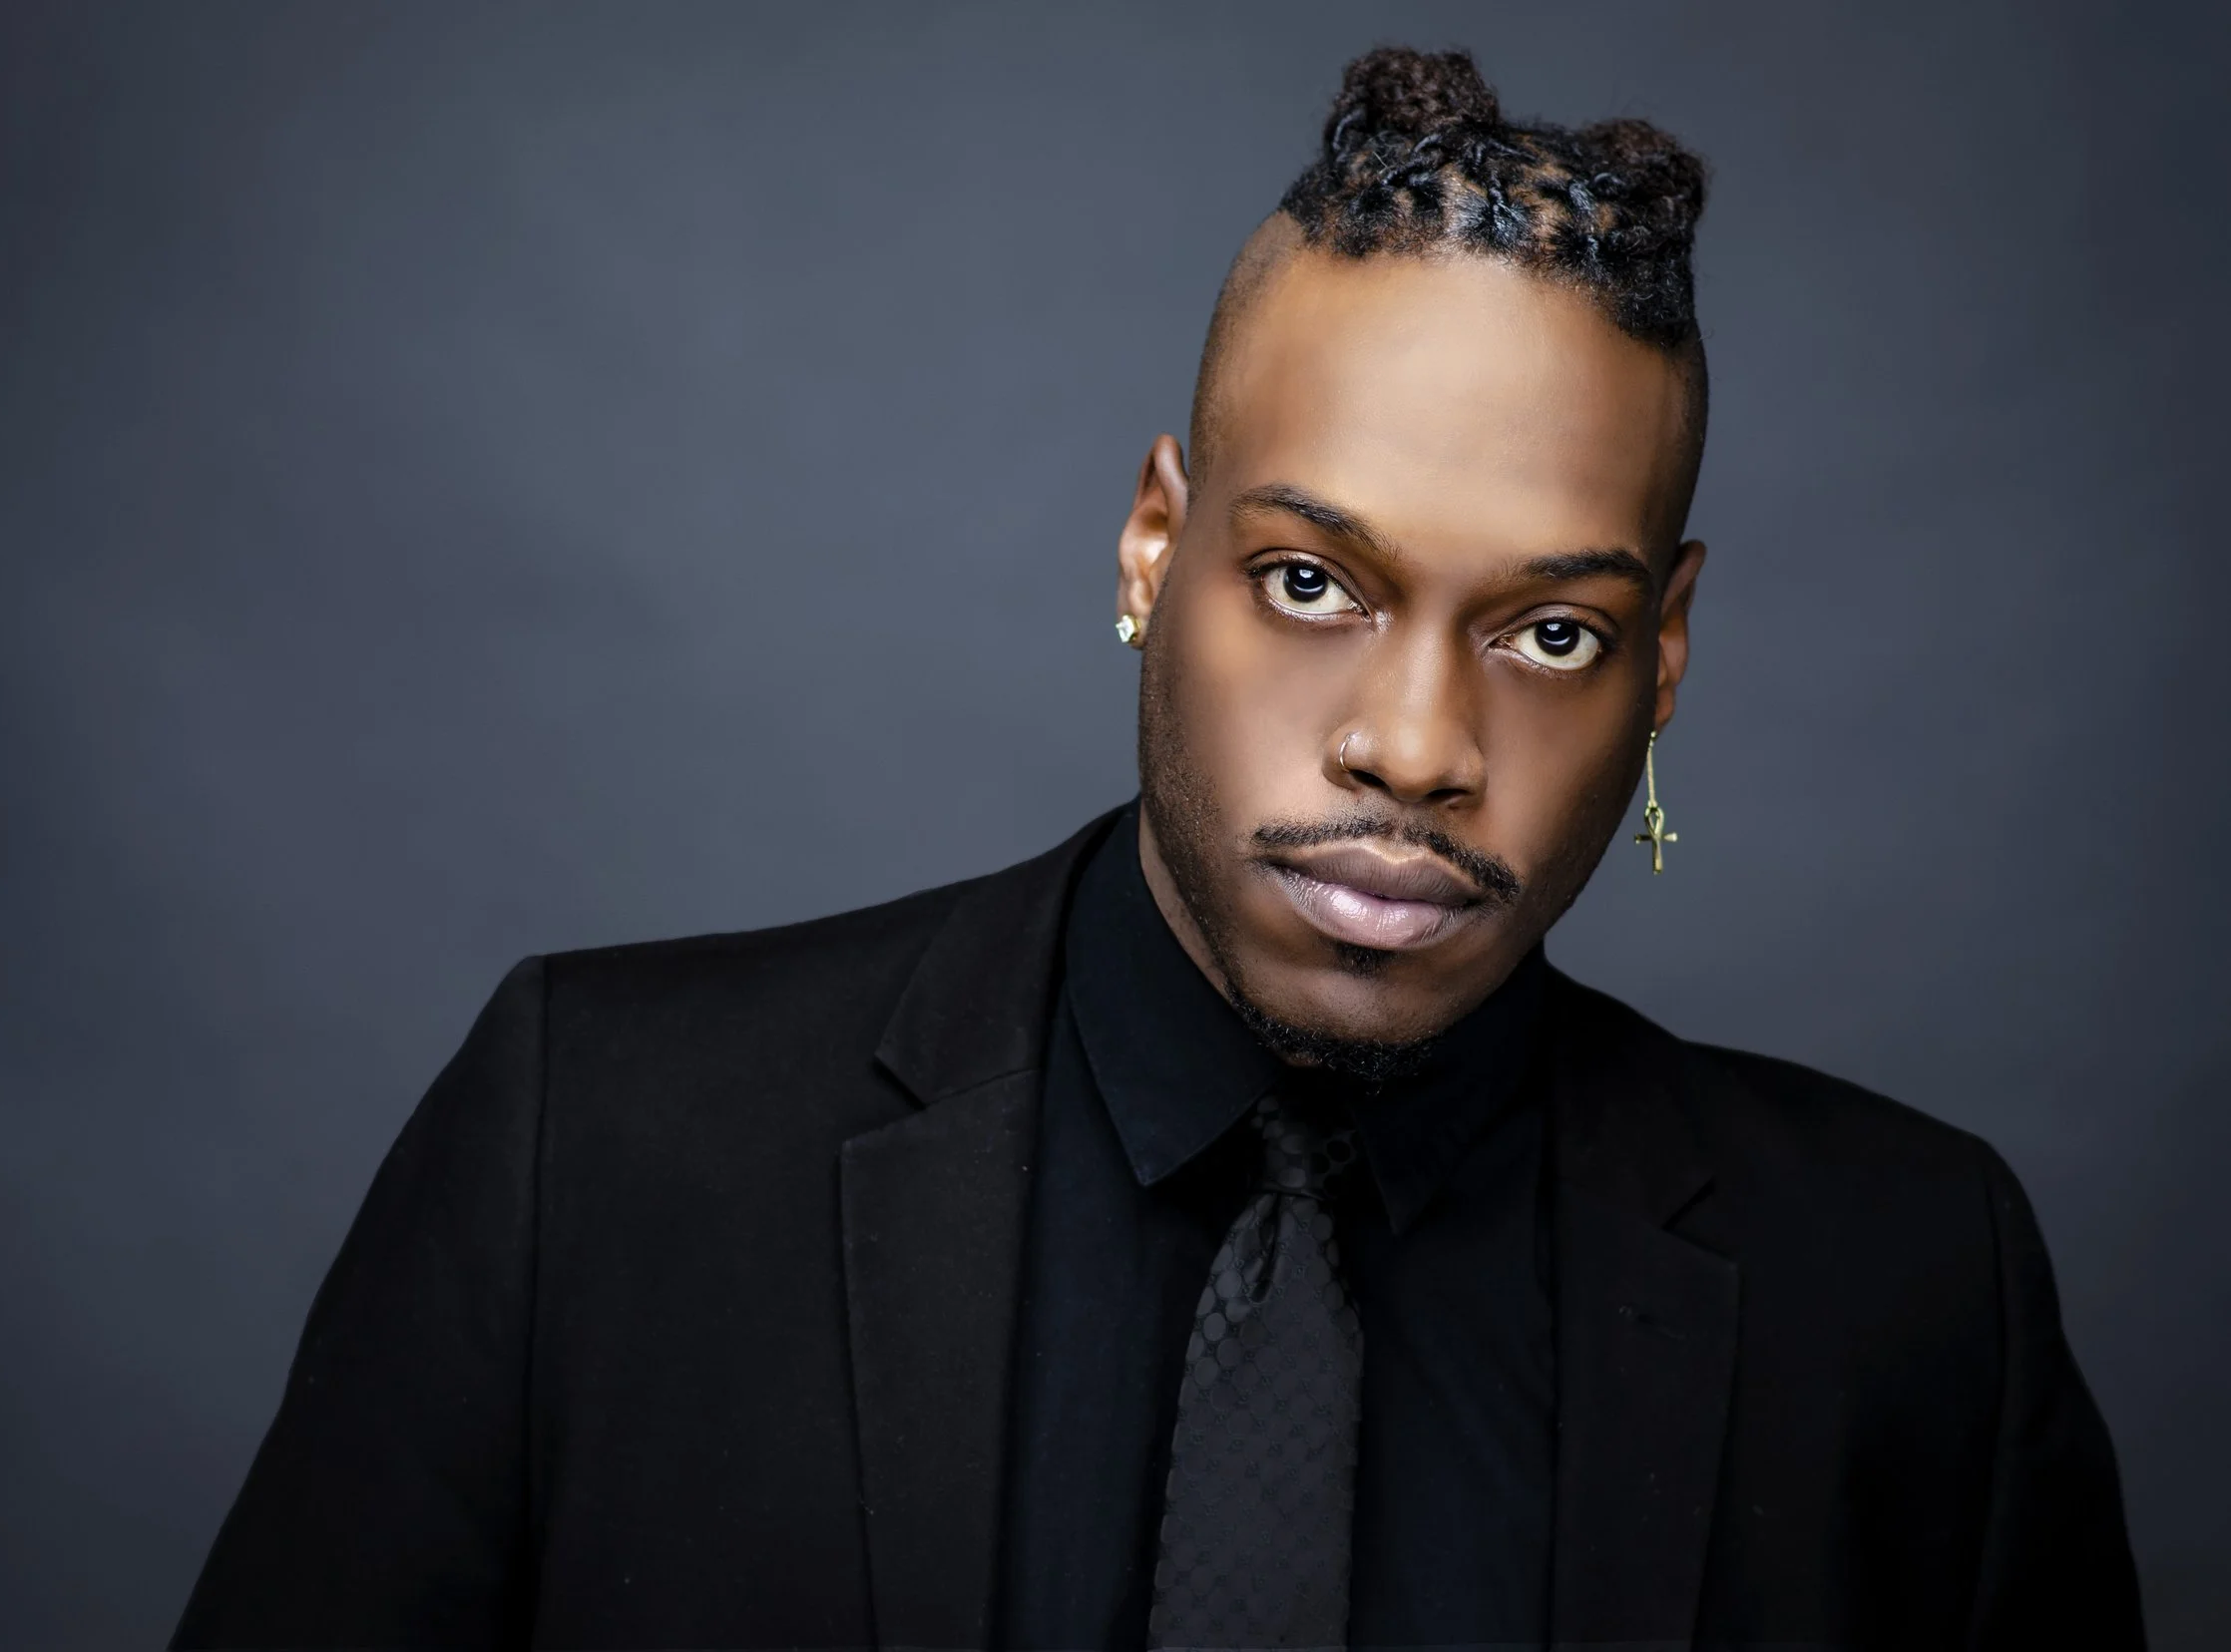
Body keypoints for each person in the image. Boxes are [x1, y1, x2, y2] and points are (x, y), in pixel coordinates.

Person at [174, 46, 2141, 1652]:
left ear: (1667, 655)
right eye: (1307, 581)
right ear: (1150, 544)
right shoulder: (592, 1149)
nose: (1411, 746)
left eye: (1552, 631)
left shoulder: (1902, 1301)